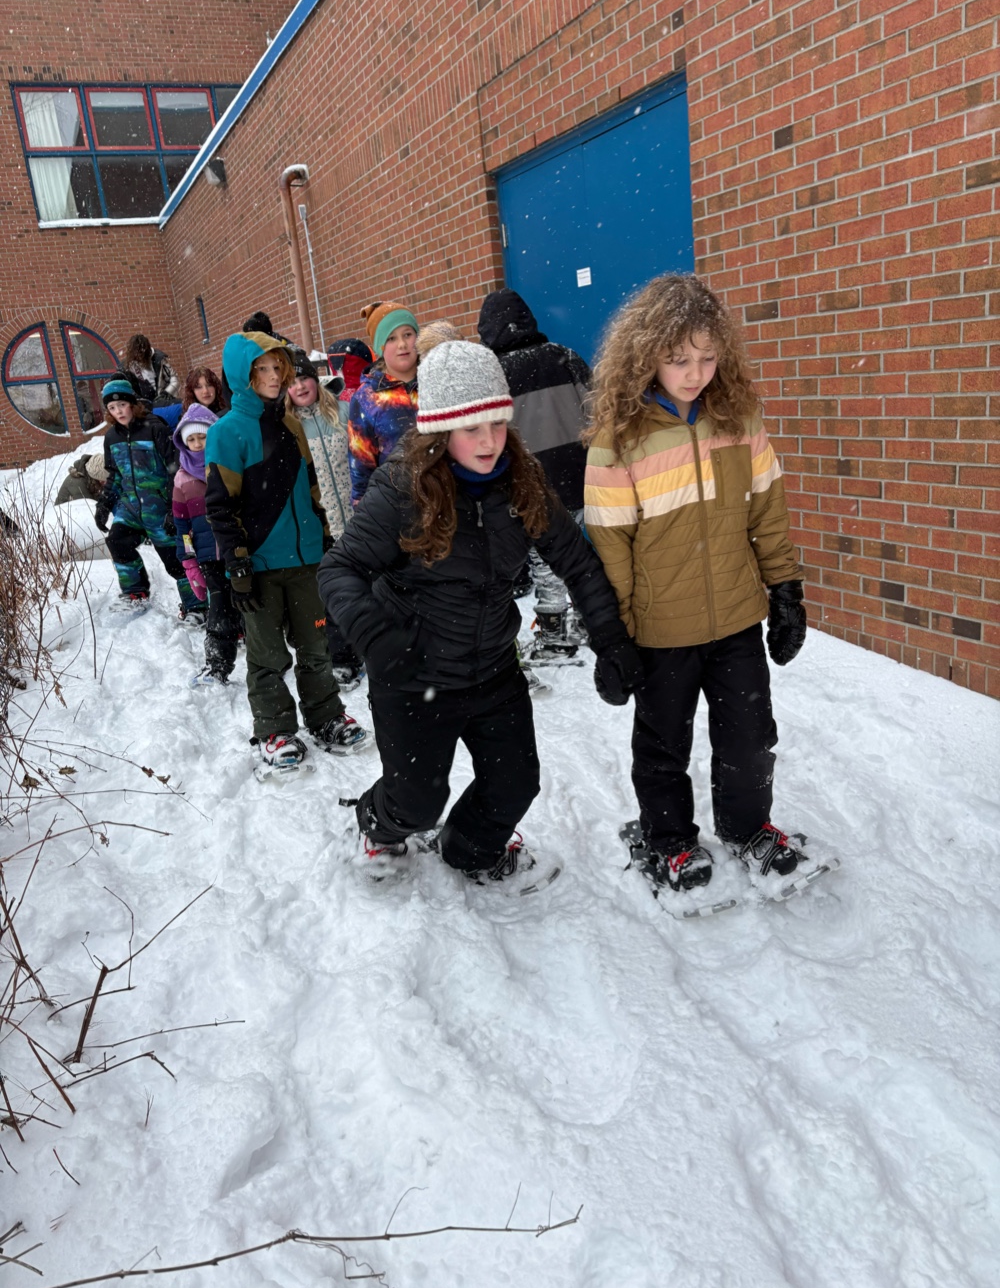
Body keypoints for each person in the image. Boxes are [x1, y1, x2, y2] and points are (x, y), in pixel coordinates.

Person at [319, 340, 643, 884]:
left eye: (497, 422)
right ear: (440, 430)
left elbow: (577, 562)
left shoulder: (523, 480)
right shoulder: (402, 488)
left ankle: (468, 849)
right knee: (415, 804)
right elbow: (339, 569)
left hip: (493, 668)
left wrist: (610, 640)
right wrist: (375, 637)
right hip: (413, 671)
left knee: (515, 785)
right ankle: (376, 822)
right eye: (471, 428)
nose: (489, 440)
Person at [583, 273, 809, 895]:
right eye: (679, 359)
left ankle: (747, 827)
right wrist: (613, 637)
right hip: (660, 628)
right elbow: (611, 547)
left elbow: (767, 510)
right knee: (664, 745)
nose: (695, 373)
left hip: (736, 616)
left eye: (708, 358)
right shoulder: (619, 439)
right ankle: (670, 838)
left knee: (750, 736)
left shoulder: (738, 418)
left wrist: (786, 590)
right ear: (646, 355)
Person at [205, 330, 367, 772]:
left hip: (306, 559)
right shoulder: (226, 433)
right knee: (267, 656)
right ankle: (274, 729)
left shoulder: (292, 425)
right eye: (262, 369)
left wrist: (324, 537)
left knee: (316, 646)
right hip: (259, 565)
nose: (274, 376)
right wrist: (237, 564)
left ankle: (326, 716)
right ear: (243, 375)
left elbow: (311, 489)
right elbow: (220, 506)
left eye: (277, 366)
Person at [478, 289, 592, 663]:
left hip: (530, 487)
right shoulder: (565, 357)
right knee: (582, 556)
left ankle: (555, 635)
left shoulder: (493, 375)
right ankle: (590, 619)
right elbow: (598, 413)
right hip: (579, 479)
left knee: (546, 564)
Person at [94, 375, 204, 619]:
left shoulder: (155, 428)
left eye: (122, 405)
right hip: (131, 508)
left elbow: (175, 470)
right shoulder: (111, 437)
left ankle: (197, 607)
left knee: (177, 560)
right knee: (117, 541)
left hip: (159, 507)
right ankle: (135, 592)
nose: (118, 411)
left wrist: (173, 509)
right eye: (112, 407)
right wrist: (104, 504)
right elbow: (115, 475)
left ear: (132, 403)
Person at [286, 353, 361, 688]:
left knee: (373, 586)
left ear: (316, 380)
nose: (300, 386)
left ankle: (383, 646)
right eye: (292, 382)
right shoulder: (289, 429)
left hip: (360, 519)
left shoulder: (344, 412)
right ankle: (344, 657)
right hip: (323, 526)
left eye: (304, 378)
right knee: (333, 595)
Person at [171, 404, 242, 685]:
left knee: (248, 600)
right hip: (208, 556)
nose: (198, 443)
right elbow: (182, 526)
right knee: (219, 607)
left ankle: (265, 657)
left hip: (238, 549)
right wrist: (189, 561)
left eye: (203, 436)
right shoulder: (182, 479)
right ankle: (217, 665)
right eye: (191, 439)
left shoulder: (230, 465)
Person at [347, 300, 419, 505]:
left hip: (449, 502)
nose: (402, 344)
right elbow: (361, 468)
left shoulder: (436, 380)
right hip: (399, 506)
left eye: (408, 334)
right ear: (380, 346)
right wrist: (364, 511)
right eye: (391, 338)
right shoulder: (367, 398)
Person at [121, 333, 181, 408]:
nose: (139, 357)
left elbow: (174, 379)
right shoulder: (126, 366)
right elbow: (125, 386)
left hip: (162, 402)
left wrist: (166, 393)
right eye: (136, 355)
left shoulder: (159, 360)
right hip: (142, 406)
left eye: (141, 354)